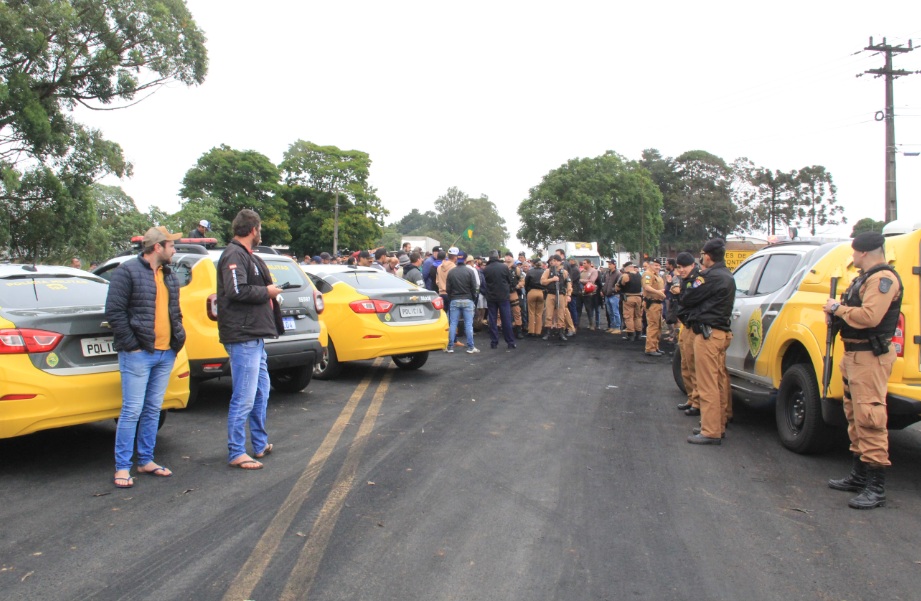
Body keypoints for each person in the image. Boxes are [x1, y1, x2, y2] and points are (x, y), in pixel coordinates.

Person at [824, 231, 903, 509]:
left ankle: (875, 486)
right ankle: (859, 476)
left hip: (870, 357)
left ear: (866, 253)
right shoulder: (864, 279)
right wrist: (836, 313)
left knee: (870, 416)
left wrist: (839, 309)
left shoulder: (884, 279)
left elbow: (870, 317)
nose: (853, 257)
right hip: (855, 356)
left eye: (856, 253)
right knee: (855, 415)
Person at [105, 225, 186, 488]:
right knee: (132, 411)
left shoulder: (169, 275)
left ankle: (146, 460)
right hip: (138, 354)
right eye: (171, 245)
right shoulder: (127, 272)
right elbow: (115, 312)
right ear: (157, 247)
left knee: (152, 409)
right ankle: (122, 468)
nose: (174, 249)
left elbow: (176, 312)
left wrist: (177, 342)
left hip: (165, 353)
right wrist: (132, 346)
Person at [216, 209, 285, 470]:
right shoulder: (234, 254)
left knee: (261, 392)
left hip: (255, 337)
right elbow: (236, 290)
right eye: (260, 228)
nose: (260, 233)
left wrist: (270, 293)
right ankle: (236, 451)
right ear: (253, 229)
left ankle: (259, 443)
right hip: (243, 336)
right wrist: (266, 291)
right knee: (244, 396)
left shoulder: (247, 255)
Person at [680, 239, 736, 445]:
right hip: (721, 333)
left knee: (707, 384)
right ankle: (717, 424)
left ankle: (710, 430)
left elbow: (687, 297)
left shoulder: (708, 277)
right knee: (719, 381)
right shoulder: (727, 275)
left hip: (708, 334)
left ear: (708, 256)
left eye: (703, 254)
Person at [668, 252, 701, 416]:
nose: (681, 270)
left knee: (694, 365)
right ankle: (691, 397)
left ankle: (697, 401)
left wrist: (679, 290)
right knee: (685, 365)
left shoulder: (697, 279)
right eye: (679, 267)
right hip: (685, 324)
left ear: (692, 265)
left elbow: (690, 299)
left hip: (693, 325)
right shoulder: (686, 280)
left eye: (684, 267)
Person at [445, 253, 480, 354]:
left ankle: (450, 346)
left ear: (456, 259)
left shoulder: (451, 272)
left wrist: (452, 298)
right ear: (465, 260)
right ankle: (470, 347)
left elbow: (448, 289)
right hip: (467, 299)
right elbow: (474, 288)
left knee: (453, 324)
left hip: (454, 300)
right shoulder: (470, 271)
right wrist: (472, 298)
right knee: (468, 324)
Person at [483, 249, 517, 349]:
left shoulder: (486, 269)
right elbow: (511, 281)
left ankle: (494, 342)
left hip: (491, 297)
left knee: (493, 320)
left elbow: (484, 283)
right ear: (498, 257)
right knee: (506, 319)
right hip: (503, 297)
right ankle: (510, 342)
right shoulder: (504, 267)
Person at [541, 255, 571, 341]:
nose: (554, 262)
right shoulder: (548, 271)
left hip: (561, 294)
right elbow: (542, 281)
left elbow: (569, 284)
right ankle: (547, 332)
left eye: (556, 261)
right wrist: (552, 279)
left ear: (560, 262)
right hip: (550, 294)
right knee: (548, 313)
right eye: (553, 261)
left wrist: (569, 294)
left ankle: (561, 332)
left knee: (561, 313)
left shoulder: (564, 272)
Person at [642, 259, 666, 356]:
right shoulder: (648, 274)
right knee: (653, 325)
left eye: (659, 266)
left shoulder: (657, 275)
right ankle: (650, 348)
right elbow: (647, 287)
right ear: (650, 266)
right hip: (652, 303)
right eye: (655, 265)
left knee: (658, 326)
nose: (658, 267)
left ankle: (655, 347)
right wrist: (658, 292)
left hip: (658, 303)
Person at [617, 262, 643, 340]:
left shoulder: (625, 276)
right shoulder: (639, 276)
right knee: (638, 316)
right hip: (639, 297)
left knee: (628, 316)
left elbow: (619, 286)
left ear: (627, 267)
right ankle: (639, 334)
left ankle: (630, 334)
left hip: (629, 297)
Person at [524, 259, 546, 337]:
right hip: (542, 292)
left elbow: (526, 283)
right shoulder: (544, 271)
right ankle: (538, 331)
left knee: (531, 312)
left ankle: (531, 330)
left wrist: (528, 291)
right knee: (539, 313)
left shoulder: (530, 272)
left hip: (532, 291)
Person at [602, 259, 622, 334]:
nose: (609, 265)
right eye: (608, 264)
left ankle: (617, 327)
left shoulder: (618, 274)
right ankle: (612, 326)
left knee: (615, 312)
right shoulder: (607, 273)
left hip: (614, 295)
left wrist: (613, 290)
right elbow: (604, 283)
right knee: (610, 312)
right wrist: (603, 290)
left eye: (610, 264)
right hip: (607, 294)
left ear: (614, 265)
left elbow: (619, 285)